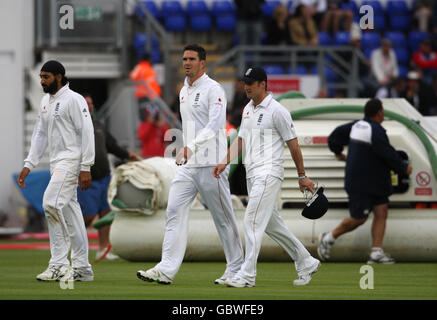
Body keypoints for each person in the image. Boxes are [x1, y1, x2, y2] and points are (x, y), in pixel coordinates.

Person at [136, 44, 244, 285]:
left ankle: (236, 268)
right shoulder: (183, 90)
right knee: (174, 211)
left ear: (202, 63)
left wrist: (191, 146)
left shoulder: (213, 89)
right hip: (189, 165)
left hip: (211, 165)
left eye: (192, 59)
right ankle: (166, 269)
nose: (186, 62)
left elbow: (215, 125)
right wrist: (187, 149)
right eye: (184, 58)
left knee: (223, 218)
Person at [213, 67, 321, 288]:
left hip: (269, 173)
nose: (247, 86)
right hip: (253, 174)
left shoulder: (278, 111)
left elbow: (294, 145)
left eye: (251, 83)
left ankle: (247, 275)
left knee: (251, 222)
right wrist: (224, 161)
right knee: (272, 225)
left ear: (263, 84)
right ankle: (306, 261)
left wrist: (303, 176)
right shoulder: (247, 110)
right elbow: (241, 140)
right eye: (245, 82)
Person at [17, 60, 95, 281]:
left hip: (71, 161)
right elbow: (40, 135)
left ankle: (59, 264)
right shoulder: (45, 101)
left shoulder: (74, 99)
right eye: (41, 77)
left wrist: (86, 166)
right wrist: (29, 164)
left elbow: (87, 132)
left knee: (50, 203)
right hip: (55, 163)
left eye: (46, 77)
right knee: (71, 211)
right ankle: (82, 268)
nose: (42, 81)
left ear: (59, 77)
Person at [318, 99, 413, 264]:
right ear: (379, 113)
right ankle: (328, 238)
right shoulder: (375, 130)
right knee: (358, 219)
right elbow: (387, 153)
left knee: (381, 211)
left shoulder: (357, 125)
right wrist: (403, 168)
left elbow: (334, 136)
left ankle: (376, 252)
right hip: (361, 183)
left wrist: (338, 152)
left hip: (373, 181)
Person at [77, 94, 140, 261]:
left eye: (91, 103)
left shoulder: (98, 125)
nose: (89, 106)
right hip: (86, 178)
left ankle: (103, 249)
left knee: (106, 214)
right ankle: (72, 245)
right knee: (88, 216)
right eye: (86, 103)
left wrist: (127, 155)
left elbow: (111, 145)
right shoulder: (74, 126)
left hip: (104, 177)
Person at [129, 53, 162, 121]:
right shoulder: (141, 67)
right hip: (146, 96)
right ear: (148, 59)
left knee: (153, 116)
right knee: (147, 117)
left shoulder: (147, 68)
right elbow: (132, 76)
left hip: (150, 96)